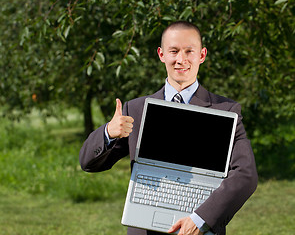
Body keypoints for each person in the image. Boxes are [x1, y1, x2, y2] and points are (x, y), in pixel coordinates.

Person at [79, 21, 258, 235]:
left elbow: (246, 174)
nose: (180, 59)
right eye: (173, 51)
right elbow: (88, 163)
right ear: (161, 54)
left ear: (201, 55)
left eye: (188, 51)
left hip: (199, 228)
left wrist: (200, 219)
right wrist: (108, 132)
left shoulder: (227, 110)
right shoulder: (135, 109)